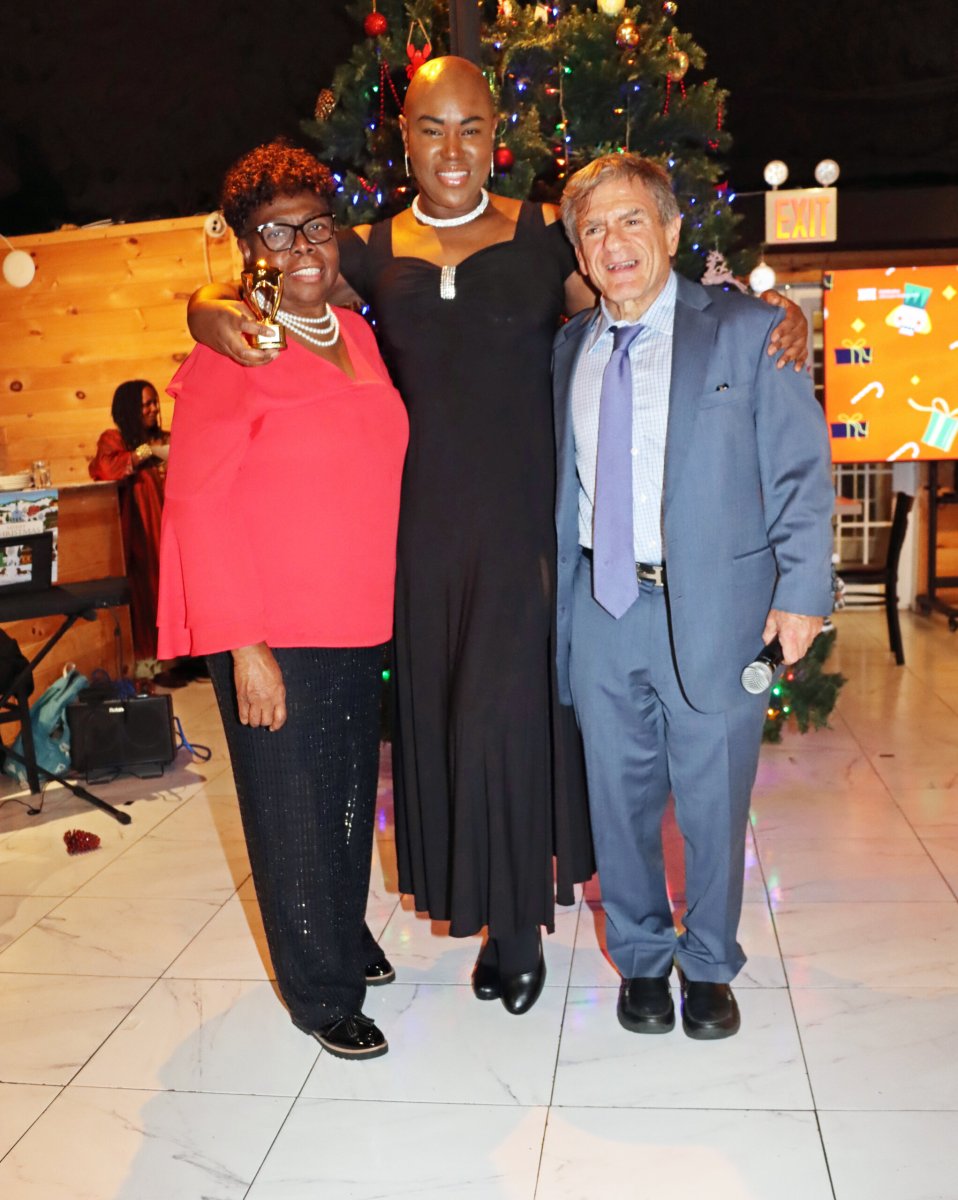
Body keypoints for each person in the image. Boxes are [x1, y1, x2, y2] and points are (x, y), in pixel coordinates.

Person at [186, 56, 809, 1015]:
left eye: (471, 127)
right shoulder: (365, 246)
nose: (452, 148)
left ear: (494, 133)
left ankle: (517, 927)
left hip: (532, 536)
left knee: (513, 727)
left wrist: (762, 314)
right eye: (431, 127)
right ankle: (473, 911)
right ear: (404, 137)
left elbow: (637, 290)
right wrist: (207, 309)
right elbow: (284, 278)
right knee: (442, 727)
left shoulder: (539, 234)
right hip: (423, 539)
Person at [553, 153, 833, 1039]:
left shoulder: (750, 332)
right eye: (594, 229)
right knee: (618, 799)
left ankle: (709, 962)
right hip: (602, 606)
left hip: (715, 610)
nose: (614, 242)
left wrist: (801, 593)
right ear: (580, 253)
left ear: (672, 232)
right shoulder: (569, 349)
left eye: (633, 220)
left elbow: (798, 470)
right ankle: (639, 956)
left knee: (713, 800)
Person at [157, 141, 408, 1059]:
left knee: (346, 795)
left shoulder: (359, 334)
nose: (303, 246)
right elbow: (196, 501)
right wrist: (243, 643)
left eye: (316, 226)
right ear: (245, 246)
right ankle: (319, 991)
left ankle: (343, 933)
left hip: (358, 613)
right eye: (277, 232)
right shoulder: (234, 349)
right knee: (292, 809)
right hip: (276, 627)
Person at [89, 380, 170, 675]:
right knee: (147, 592)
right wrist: (146, 451)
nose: (153, 409)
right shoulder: (116, 439)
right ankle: (152, 666)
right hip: (140, 531)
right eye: (145, 404)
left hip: (171, 529)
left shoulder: (164, 438)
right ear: (129, 410)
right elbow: (104, 469)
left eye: (154, 403)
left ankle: (184, 661)